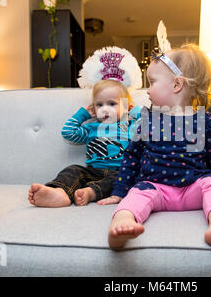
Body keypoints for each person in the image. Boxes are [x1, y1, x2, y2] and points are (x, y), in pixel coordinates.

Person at [99, 44, 211, 255]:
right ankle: (122, 222)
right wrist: (119, 192)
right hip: (155, 188)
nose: (148, 90)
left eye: (152, 82)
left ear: (177, 85)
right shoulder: (148, 122)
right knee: (136, 194)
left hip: (193, 189)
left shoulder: (204, 122)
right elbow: (131, 160)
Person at [28, 47, 143, 208]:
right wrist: (83, 115)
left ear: (125, 105)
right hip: (92, 171)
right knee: (73, 170)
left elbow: (150, 130)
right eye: (99, 104)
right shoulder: (91, 128)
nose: (105, 108)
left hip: (120, 172)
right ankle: (59, 193)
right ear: (93, 107)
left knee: (125, 178)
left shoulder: (129, 126)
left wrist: (136, 111)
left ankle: (91, 193)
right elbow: (68, 133)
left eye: (112, 103)